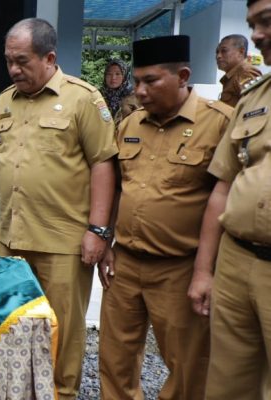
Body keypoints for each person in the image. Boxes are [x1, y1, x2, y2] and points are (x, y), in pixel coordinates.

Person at [0, 18, 118, 399]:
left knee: (64, 330)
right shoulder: (4, 100)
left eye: (22, 61)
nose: (14, 69)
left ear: (50, 57)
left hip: (64, 241)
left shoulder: (83, 99)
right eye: (9, 61)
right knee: (12, 323)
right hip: (12, 237)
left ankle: (60, 394)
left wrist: (99, 230)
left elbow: (104, 163)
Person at [96, 35, 233, 400]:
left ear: (183, 75)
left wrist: (206, 271)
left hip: (180, 267)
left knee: (188, 366)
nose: (139, 91)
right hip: (124, 264)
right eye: (136, 81)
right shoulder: (129, 126)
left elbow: (228, 198)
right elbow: (118, 189)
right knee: (114, 360)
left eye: (150, 81)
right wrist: (105, 240)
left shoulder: (220, 124)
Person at [198, 1, 271, 397]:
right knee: (227, 384)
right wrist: (204, 270)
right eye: (253, 24)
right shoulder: (253, 96)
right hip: (236, 260)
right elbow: (222, 186)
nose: (258, 34)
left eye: (268, 21)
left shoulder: (248, 78)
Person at [216, 33, 262, 107]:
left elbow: (253, 109)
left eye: (224, 51)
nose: (218, 56)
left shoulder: (245, 72)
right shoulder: (232, 75)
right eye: (217, 52)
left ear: (241, 52)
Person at [102, 59, 139, 124]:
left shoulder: (134, 96)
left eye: (118, 74)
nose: (113, 77)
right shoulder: (98, 95)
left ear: (124, 75)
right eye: (109, 74)